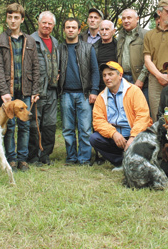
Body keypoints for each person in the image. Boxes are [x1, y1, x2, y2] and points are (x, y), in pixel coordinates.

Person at [0, 3, 40, 172]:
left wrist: (36, 90)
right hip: (9, 91)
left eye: (16, 18)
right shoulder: (0, 40)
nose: (13, 21)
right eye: (10, 17)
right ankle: (10, 159)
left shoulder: (30, 41)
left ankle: (22, 159)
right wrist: (3, 91)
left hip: (26, 90)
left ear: (22, 19)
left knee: (25, 125)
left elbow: (36, 67)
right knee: (9, 125)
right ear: (6, 18)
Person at [91, 61, 152, 169]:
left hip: (134, 136)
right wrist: (113, 134)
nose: (107, 78)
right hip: (116, 138)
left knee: (145, 137)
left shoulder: (134, 91)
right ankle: (121, 162)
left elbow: (143, 116)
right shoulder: (101, 97)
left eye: (110, 74)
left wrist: (133, 136)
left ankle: (136, 160)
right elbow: (98, 121)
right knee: (94, 138)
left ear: (120, 75)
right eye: (104, 75)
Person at [58, 17, 100, 165]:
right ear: (64, 30)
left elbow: (95, 71)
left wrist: (94, 90)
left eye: (73, 27)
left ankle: (84, 158)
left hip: (84, 93)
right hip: (65, 94)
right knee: (68, 129)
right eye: (68, 27)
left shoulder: (88, 48)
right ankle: (71, 157)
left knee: (85, 128)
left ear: (78, 30)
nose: (70, 30)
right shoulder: (60, 49)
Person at [27, 11, 60, 166]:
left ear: (53, 26)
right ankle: (33, 156)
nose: (47, 26)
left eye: (50, 23)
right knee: (35, 123)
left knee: (50, 124)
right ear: (38, 23)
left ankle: (45, 155)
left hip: (53, 89)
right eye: (44, 23)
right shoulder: (30, 40)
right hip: (37, 90)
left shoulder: (55, 42)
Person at [116, 9, 149, 102]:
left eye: (129, 18)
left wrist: (141, 79)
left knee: (143, 111)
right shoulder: (120, 36)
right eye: (124, 18)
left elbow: (149, 59)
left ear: (137, 19)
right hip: (123, 80)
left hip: (140, 79)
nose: (126, 21)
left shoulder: (145, 34)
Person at [93, 20, 118, 92]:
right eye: (102, 29)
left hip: (116, 85)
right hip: (99, 86)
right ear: (99, 31)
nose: (104, 32)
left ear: (113, 31)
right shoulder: (93, 47)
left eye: (107, 29)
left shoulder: (119, 46)